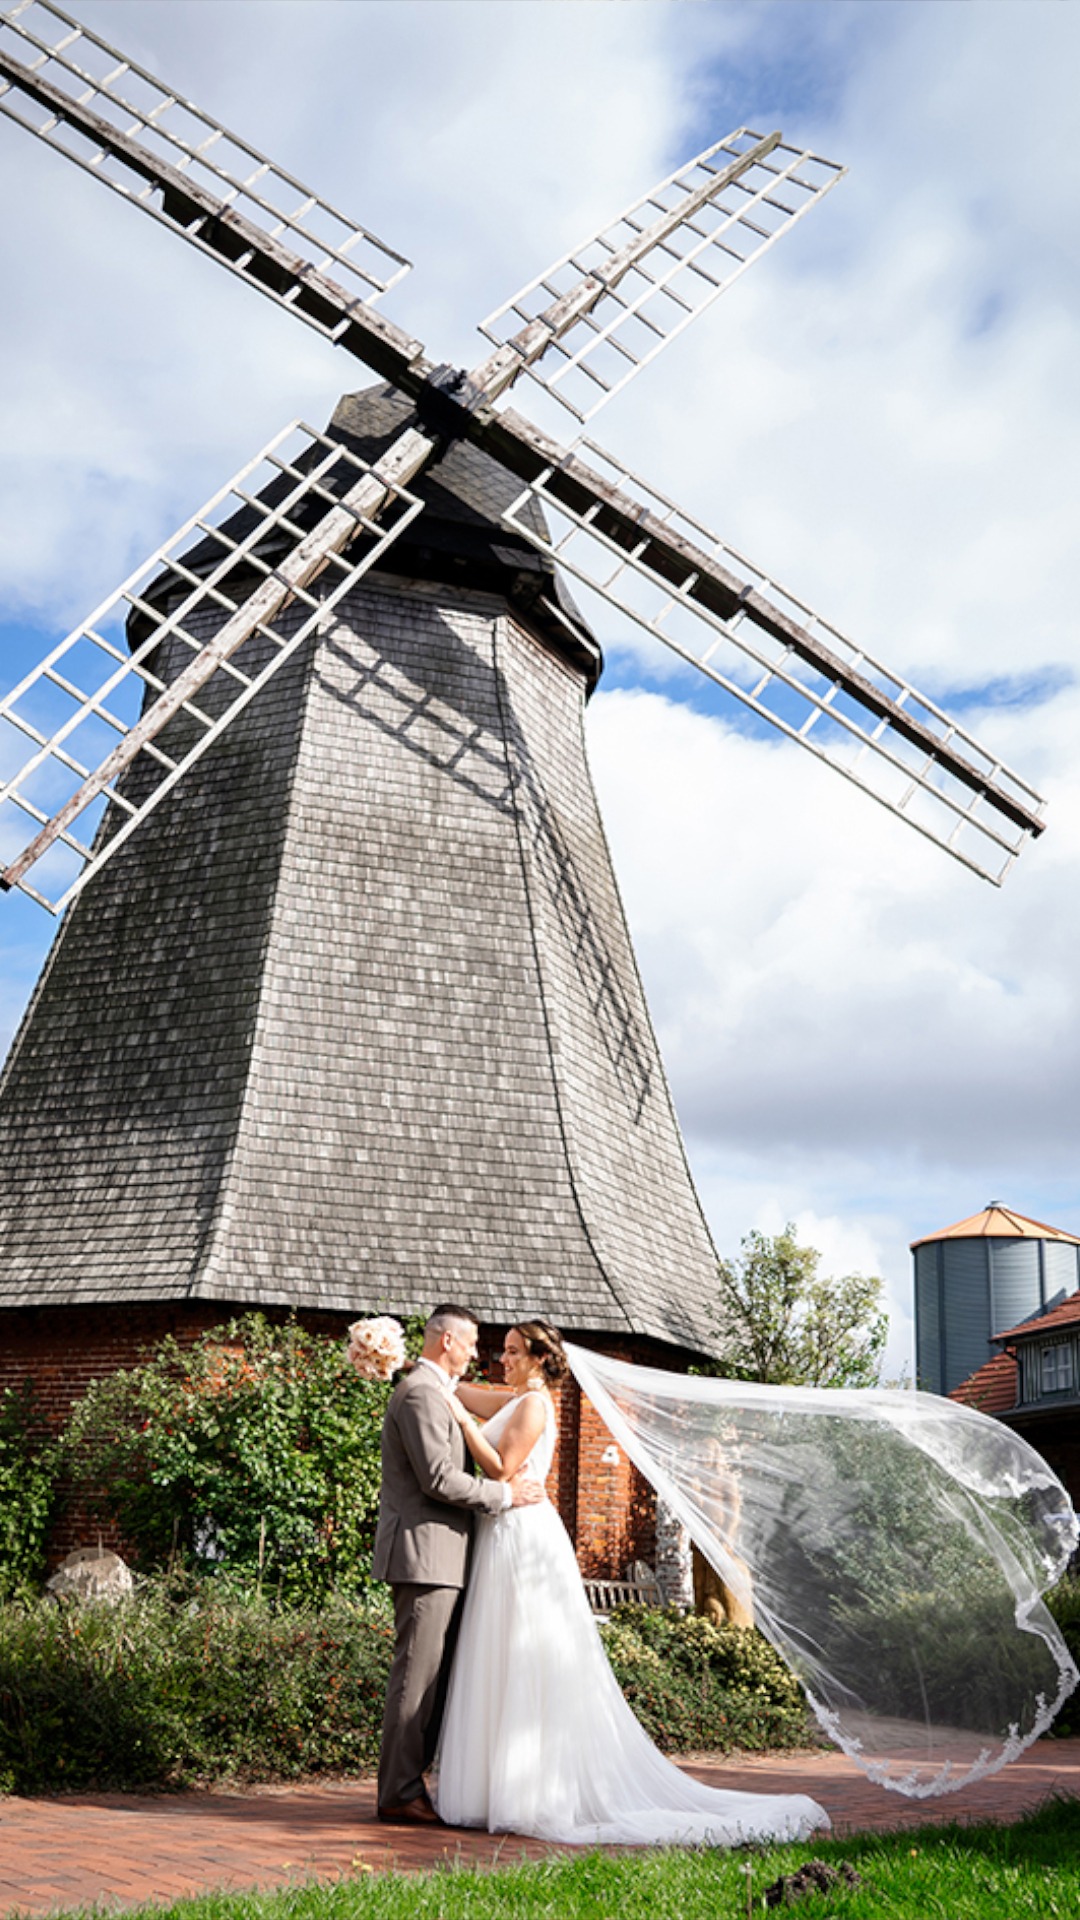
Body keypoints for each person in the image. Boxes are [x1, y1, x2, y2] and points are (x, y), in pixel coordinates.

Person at [433, 1318, 829, 1847]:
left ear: (535, 1358)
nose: (500, 1358)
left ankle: (529, 1790)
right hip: (504, 1534)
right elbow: (461, 1391)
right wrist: (413, 1368)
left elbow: (502, 1469)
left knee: (525, 1656)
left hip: (523, 1536)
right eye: (501, 1350)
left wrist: (460, 1422)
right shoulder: (513, 1398)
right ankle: (499, 1785)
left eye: (510, 1351)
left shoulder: (533, 1404)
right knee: (502, 1653)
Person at [372, 1303, 543, 1824]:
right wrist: (504, 1495)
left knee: (433, 1677)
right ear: (447, 1341)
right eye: (470, 1344)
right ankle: (399, 1793)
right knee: (416, 1677)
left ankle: (412, 1783)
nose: (477, 1353)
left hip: (443, 1553)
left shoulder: (436, 1390)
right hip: (425, 1553)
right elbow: (439, 1479)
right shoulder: (422, 1393)